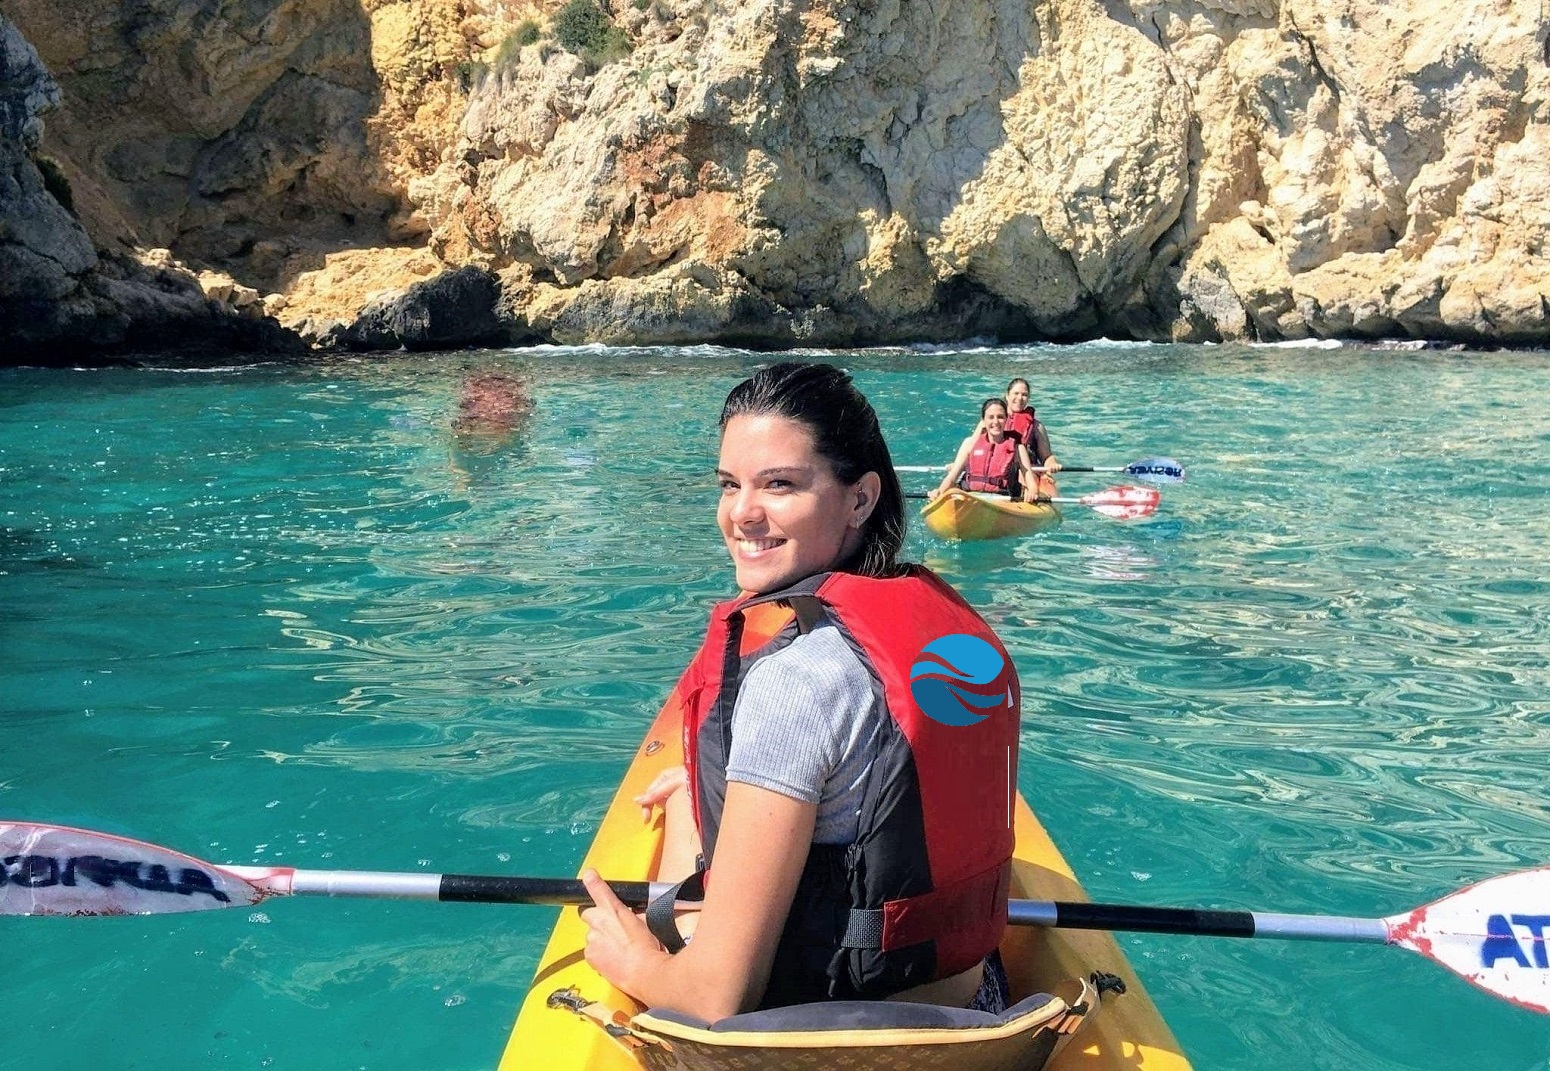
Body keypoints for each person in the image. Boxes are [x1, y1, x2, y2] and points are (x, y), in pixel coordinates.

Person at [579, 362, 1022, 1022]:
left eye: (779, 484)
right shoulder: (947, 628)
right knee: (685, 805)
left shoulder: (794, 682)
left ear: (860, 498)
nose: (742, 513)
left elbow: (717, 997)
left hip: (827, 1033)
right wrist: (712, 788)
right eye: (730, 485)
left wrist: (629, 956)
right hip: (974, 1007)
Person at [927, 397, 1041, 502]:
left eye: (1000, 417)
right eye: (991, 417)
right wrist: (939, 491)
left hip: (1002, 500)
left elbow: (1030, 481)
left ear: (1006, 419)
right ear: (983, 420)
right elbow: (952, 477)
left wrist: (1032, 492)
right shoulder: (969, 444)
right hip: (971, 496)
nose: (995, 422)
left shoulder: (1018, 448)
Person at [1002, 378, 1060, 478]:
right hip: (1000, 473)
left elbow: (1047, 457)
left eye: (1024, 395)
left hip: (1028, 473)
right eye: (1016, 393)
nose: (1020, 398)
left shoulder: (1037, 427)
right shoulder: (993, 422)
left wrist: (1052, 464)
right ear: (1007, 395)